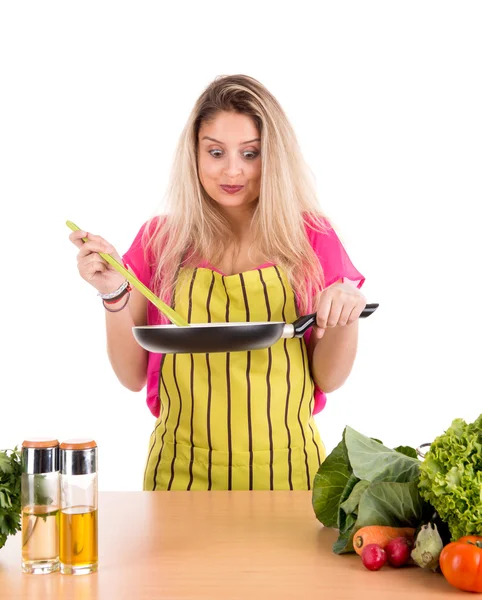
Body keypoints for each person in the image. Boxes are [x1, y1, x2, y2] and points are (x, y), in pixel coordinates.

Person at [69, 74, 368, 492]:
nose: (232, 170)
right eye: (215, 152)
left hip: (289, 478)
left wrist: (344, 310)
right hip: (179, 478)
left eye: (251, 154)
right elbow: (131, 374)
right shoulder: (161, 241)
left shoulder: (310, 237)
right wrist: (113, 293)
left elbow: (329, 378)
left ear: (274, 158)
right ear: (194, 155)